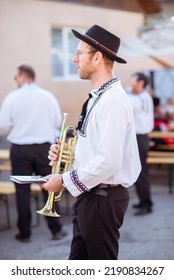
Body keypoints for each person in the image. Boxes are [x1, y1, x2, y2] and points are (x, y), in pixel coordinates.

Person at [41, 25, 141, 260]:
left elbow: (109, 162)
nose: (73, 59)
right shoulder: (101, 96)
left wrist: (63, 180)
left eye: (78, 53)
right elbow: (98, 150)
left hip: (102, 199)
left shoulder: (112, 101)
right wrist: (67, 155)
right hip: (91, 196)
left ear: (96, 57)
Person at [0, 65, 66, 242]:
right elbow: (57, 122)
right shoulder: (47, 96)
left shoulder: (12, 98)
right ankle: (56, 230)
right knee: (49, 188)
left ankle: (25, 233)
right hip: (44, 148)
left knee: (22, 191)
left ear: (22, 76)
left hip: (20, 149)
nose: (16, 81)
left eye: (16, 77)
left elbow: (3, 126)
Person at [127, 72, 154, 215]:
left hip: (140, 137)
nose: (130, 81)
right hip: (138, 138)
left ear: (140, 82)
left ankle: (146, 204)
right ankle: (143, 201)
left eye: (133, 78)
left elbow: (126, 103)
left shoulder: (141, 98)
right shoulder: (139, 96)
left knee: (141, 172)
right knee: (137, 171)